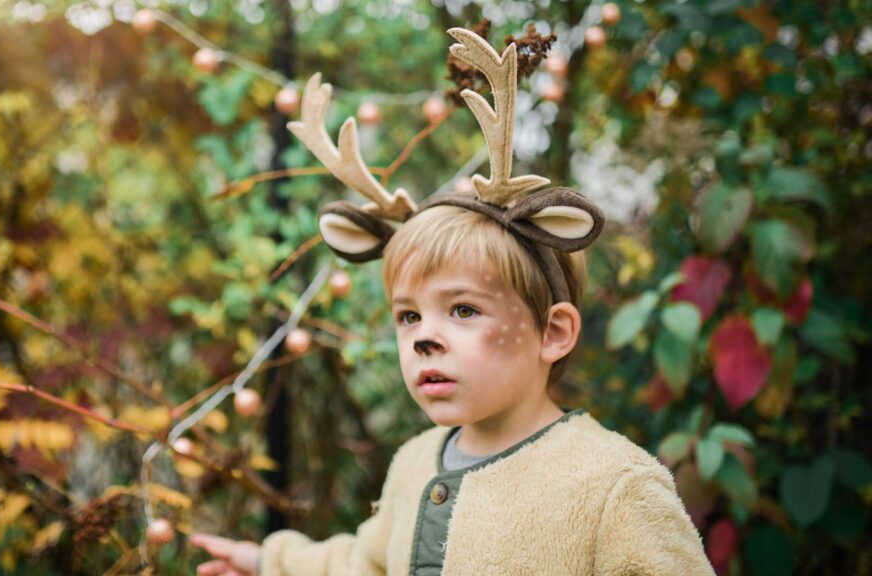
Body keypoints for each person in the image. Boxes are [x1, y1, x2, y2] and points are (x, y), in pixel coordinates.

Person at [192, 27, 715, 576]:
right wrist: (267, 561)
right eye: (408, 315)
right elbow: (365, 564)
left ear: (553, 332)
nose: (423, 336)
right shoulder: (415, 463)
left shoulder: (613, 488)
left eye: (463, 309)